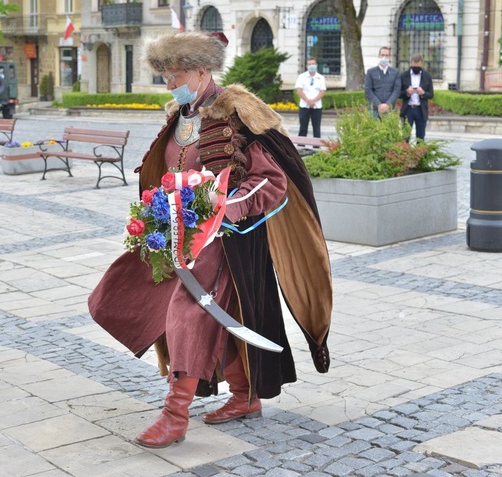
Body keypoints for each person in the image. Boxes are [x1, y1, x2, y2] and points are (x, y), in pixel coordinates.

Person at [88, 31, 333, 449]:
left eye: (176, 74)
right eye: (164, 74)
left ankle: (174, 415)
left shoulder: (240, 113)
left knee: (190, 315)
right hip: (176, 237)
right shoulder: (180, 114)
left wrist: (226, 209)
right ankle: (244, 395)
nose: (169, 83)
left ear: (202, 71)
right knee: (128, 294)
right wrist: (156, 213)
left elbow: (272, 182)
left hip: (226, 243)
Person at [399, 53, 434, 141]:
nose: (416, 69)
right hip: (408, 110)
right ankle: (405, 153)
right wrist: (407, 92)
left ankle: (420, 154)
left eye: (418, 67)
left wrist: (423, 93)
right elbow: (398, 94)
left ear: (422, 63)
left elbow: (431, 94)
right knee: (405, 137)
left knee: (420, 137)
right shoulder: (403, 76)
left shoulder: (427, 76)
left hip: (421, 110)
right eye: (414, 66)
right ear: (411, 62)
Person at [295, 57, 327, 138]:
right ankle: (301, 146)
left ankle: (316, 147)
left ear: (316, 65)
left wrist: (313, 101)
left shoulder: (321, 78)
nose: (311, 66)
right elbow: (299, 90)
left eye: (313, 64)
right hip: (304, 105)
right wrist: (307, 100)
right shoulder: (301, 77)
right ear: (306, 66)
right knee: (303, 127)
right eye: (309, 64)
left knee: (316, 128)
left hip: (316, 106)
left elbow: (322, 91)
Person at [364, 46, 400, 117]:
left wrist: (388, 104)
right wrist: (378, 105)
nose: (384, 57)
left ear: (390, 57)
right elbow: (368, 90)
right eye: (382, 55)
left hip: (390, 110)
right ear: (379, 56)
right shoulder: (371, 72)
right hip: (373, 110)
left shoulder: (395, 72)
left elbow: (396, 90)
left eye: (386, 55)